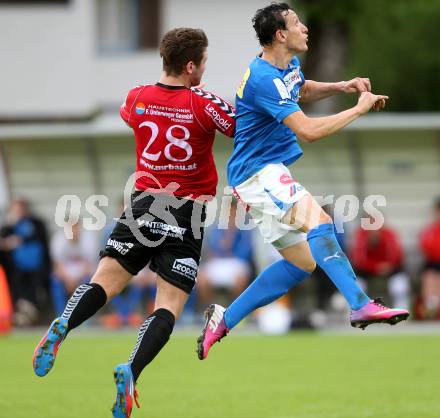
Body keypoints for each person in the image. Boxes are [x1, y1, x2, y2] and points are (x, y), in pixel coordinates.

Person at [33, 27, 235, 418]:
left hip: (142, 204)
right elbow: (237, 127)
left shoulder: (136, 96)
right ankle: (132, 369)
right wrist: (198, 94)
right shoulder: (205, 102)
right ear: (192, 64)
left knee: (103, 282)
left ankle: (63, 323)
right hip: (187, 211)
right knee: (169, 304)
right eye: (203, 62)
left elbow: (135, 118)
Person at [197, 3, 409, 360]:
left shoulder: (284, 66)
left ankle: (224, 318)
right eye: (297, 23)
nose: (306, 28)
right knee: (321, 221)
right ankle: (360, 304)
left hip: (260, 174)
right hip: (259, 172)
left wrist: (343, 85)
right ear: (281, 35)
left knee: (302, 263)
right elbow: (308, 130)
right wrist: (358, 108)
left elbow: (301, 89)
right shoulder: (263, 77)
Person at [0, 199, 51, 325]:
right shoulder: (8, 228)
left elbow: (42, 243)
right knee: (19, 295)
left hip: (36, 269)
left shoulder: (36, 224)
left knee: (35, 294)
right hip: (16, 271)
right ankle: (21, 316)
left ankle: (33, 317)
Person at [197, 200, 254, 307]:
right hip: (218, 262)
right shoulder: (217, 228)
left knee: (240, 278)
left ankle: (236, 310)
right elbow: (211, 251)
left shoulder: (245, 230)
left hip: (237, 263)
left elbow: (245, 253)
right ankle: (209, 310)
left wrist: (231, 236)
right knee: (201, 278)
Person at [350, 222, 411, 310]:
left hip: (389, 270)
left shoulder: (389, 235)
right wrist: (376, 267)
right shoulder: (360, 236)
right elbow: (359, 260)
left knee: (399, 285)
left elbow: (397, 255)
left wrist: (387, 266)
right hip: (366, 272)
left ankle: (401, 311)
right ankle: (356, 312)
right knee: (356, 284)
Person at [50, 221, 97, 316]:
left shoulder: (89, 239)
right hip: (66, 274)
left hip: (83, 274)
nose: (73, 231)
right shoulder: (58, 239)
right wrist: (68, 280)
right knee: (55, 280)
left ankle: (85, 316)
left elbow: (89, 265)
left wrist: (76, 280)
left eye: (75, 227)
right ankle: (61, 316)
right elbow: (57, 265)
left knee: (90, 282)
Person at [417, 198, 440, 319]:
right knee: (430, 277)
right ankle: (431, 307)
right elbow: (426, 248)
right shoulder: (429, 230)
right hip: (433, 263)